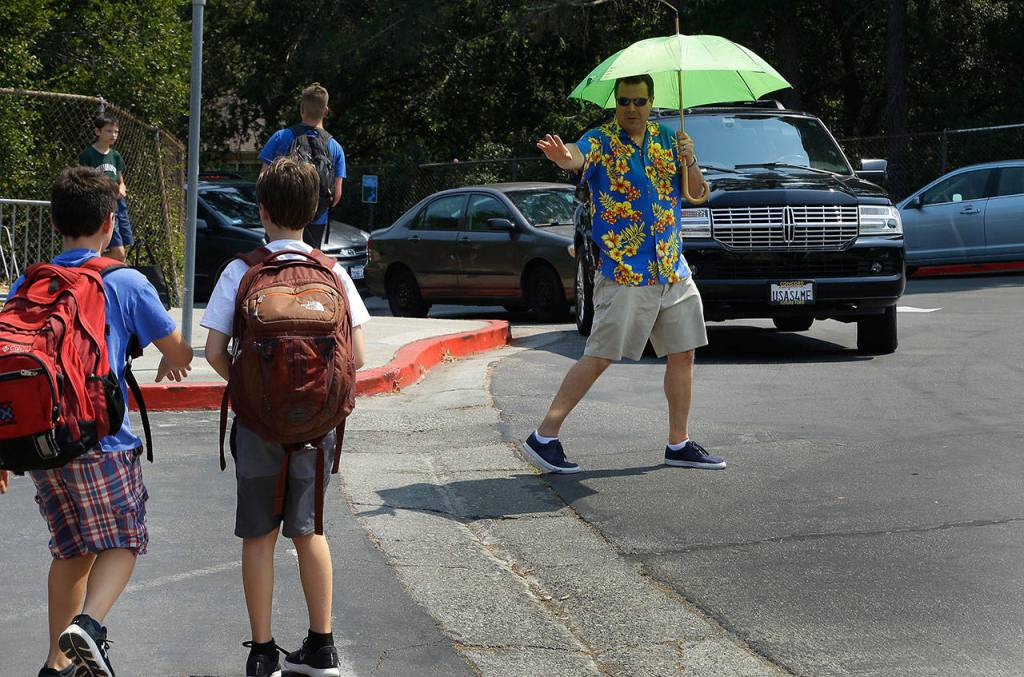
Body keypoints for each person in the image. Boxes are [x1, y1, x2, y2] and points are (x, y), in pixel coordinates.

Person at [0, 166, 194, 676]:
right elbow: (177, 349)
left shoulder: (30, 281)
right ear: (110, 223)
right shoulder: (126, 280)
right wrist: (176, 355)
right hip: (101, 438)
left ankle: (55, 665)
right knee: (125, 541)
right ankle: (91, 627)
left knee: (70, 551)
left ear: (57, 224)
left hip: (43, 441)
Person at [201, 156, 369, 677]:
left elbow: (212, 351)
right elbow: (358, 355)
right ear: (316, 209)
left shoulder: (243, 270)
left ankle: (262, 652)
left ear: (262, 210)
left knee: (259, 536)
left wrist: (252, 387)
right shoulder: (333, 273)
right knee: (309, 531)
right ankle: (322, 646)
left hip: (257, 426)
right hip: (315, 425)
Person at [524, 74, 726, 473]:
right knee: (600, 356)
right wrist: (564, 158)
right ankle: (543, 436)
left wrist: (691, 158)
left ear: (652, 103)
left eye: (639, 101)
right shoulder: (600, 140)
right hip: (626, 270)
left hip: (672, 266)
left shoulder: (670, 140)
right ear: (615, 104)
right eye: (624, 102)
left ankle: (678, 443)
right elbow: (577, 157)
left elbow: (697, 194)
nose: (631, 109)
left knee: (683, 352)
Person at [258, 82, 346, 248]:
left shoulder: (281, 137)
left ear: (301, 108)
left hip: (280, 219)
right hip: (316, 221)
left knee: (277, 265)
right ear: (326, 111)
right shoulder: (335, 148)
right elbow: (336, 196)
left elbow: (263, 179)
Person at [79, 114, 134, 262]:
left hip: (119, 205)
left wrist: (122, 188)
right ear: (98, 132)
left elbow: (120, 180)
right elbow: (85, 181)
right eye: (109, 131)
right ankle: (85, 262)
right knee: (119, 254)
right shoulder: (88, 154)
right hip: (103, 205)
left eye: (116, 132)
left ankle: (100, 270)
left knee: (125, 247)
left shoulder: (116, 156)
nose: (113, 135)